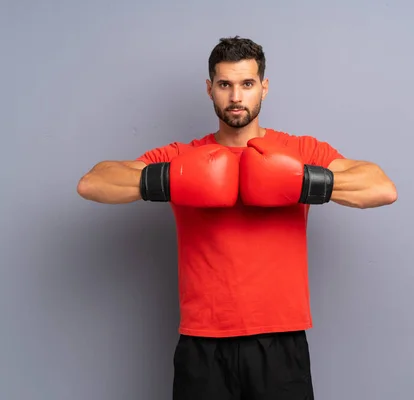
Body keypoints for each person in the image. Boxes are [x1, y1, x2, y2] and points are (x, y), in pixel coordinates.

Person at [77, 36, 397, 400]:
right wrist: (173, 178)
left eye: (246, 84)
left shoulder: (300, 152)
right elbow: (93, 183)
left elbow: (381, 188)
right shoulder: (183, 156)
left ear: (264, 87)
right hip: (202, 344)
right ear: (209, 88)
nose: (235, 97)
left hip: (281, 341)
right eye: (225, 85)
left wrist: (302, 180)